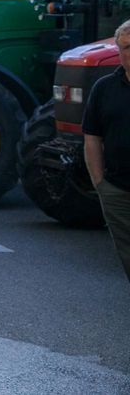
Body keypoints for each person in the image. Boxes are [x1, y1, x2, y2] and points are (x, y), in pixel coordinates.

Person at [83, 19, 130, 282]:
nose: (128, 53)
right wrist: (101, 184)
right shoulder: (104, 89)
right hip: (118, 190)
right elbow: (92, 137)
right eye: (124, 47)